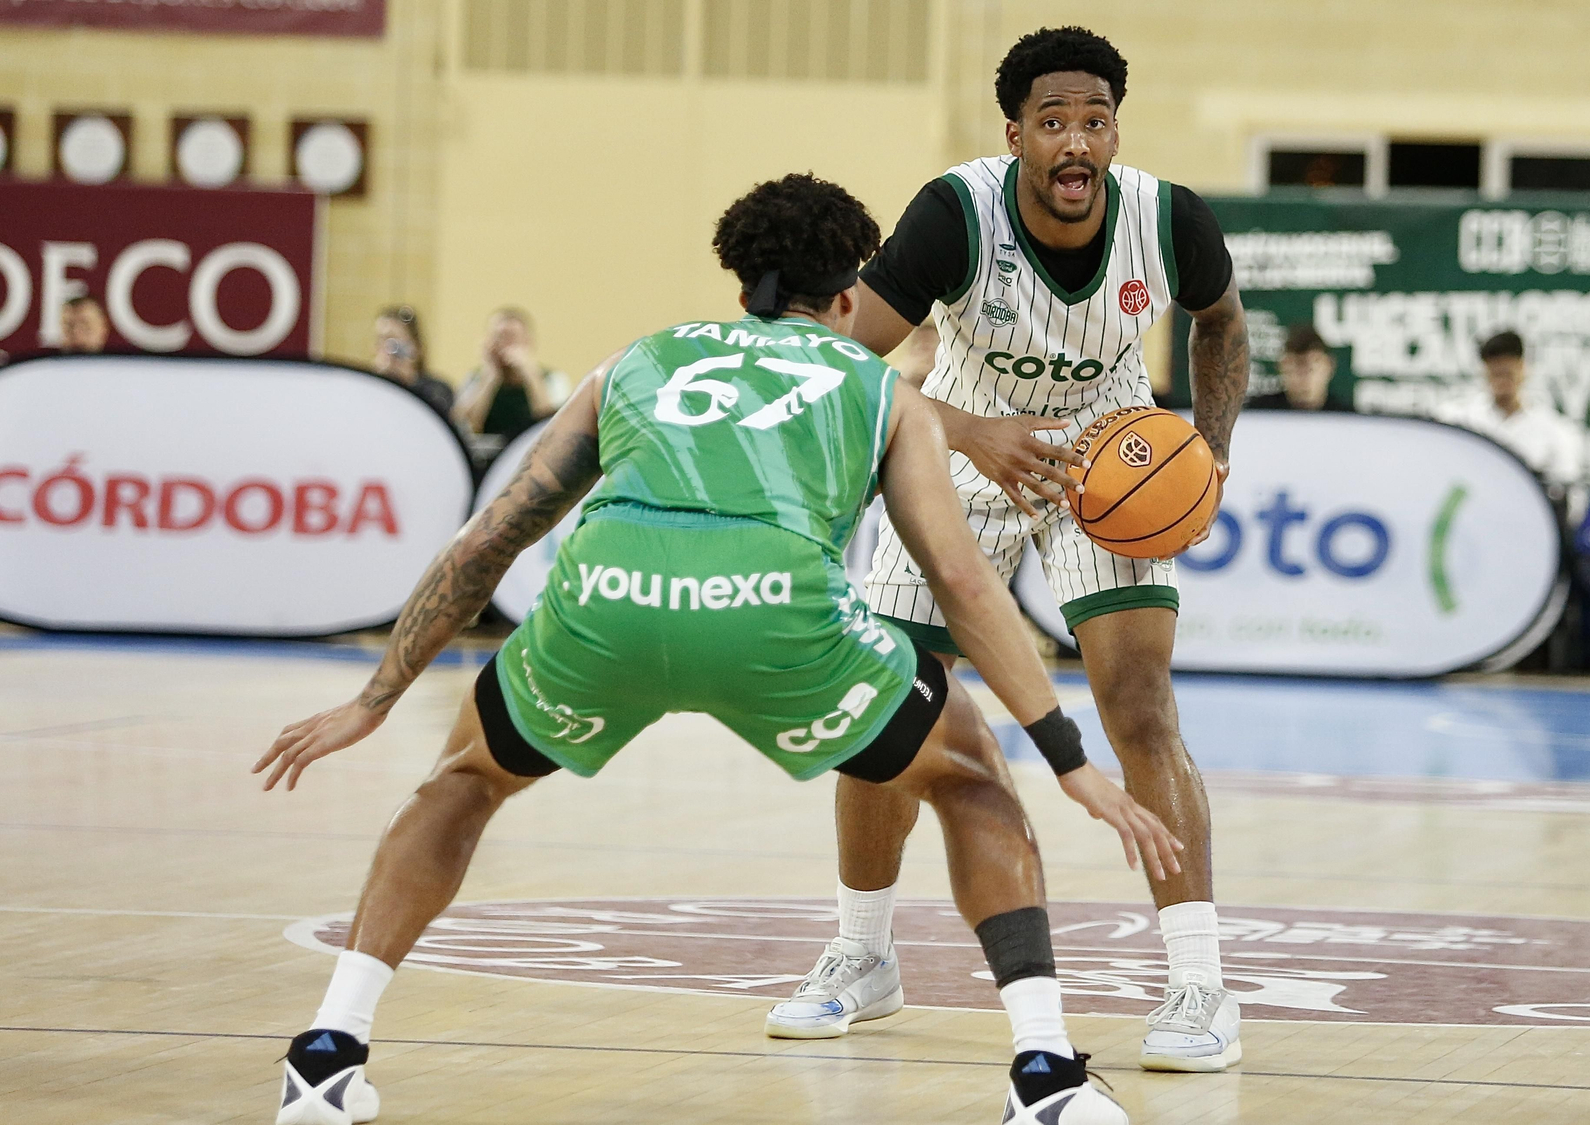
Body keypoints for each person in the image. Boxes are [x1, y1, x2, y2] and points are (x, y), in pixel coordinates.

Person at [255, 174, 1174, 1125]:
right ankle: (1045, 1075)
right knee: (973, 777)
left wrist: (373, 699)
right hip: (775, 608)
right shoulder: (881, 389)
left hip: (606, 595)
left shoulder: (635, 361)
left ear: (741, 288)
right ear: (852, 298)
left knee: (461, 780)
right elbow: (965, 582)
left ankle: (329, 1052)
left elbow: (492, 535)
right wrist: (1069, 759)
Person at [763, 27, 1251, 1074]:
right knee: (888, 700)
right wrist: (968, 431)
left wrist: (1209, 452)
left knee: (1138, 705)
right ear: (1015, 134)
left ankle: (1199, 981)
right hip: (961, 441)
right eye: (1053, 121)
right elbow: (838, 367)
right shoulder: (954, 214)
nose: (1076, 140)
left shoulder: (1170, 220)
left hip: (1106, 462)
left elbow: (1221, 322)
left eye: (1094, 119)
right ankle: (861, 955)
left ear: (1114, 128)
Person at [1449, 330, 1583, 485]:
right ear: (1484, 370)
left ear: (1523, 368)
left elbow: (1567, 490)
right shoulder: (1461, 420)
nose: (1501, 378)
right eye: (1495, 371)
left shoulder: (1554, 430)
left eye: (1507, 371)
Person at [453, 306, 571, 446]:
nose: (504, 345)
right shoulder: (475, 379)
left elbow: (552, 427)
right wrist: (489, 378)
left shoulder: (552, 379)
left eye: (511, 338)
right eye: (498, 337)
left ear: (528, 342)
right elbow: (465, 428)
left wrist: (530, 375)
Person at [370, 305, 456, 420]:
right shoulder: (368, 388)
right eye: (380, 339)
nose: (385, 348)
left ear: (415, 347)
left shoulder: (436, 390)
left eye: (392, 339)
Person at [1244, 324, 1343, 411]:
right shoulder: (1259, 415)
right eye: (1296, 367)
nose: (1304, 377)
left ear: (1329, 366)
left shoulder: (1347, 420)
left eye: (1312, 368)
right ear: (1282, 366)